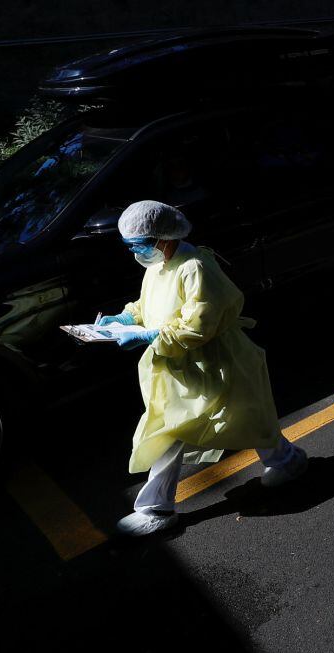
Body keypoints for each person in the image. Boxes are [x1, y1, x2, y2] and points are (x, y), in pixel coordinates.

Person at [97, 200, 307, 536]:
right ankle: (287, 460)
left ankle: (156, 509)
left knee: (179, 429)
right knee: (232, 417)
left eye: (138, 245)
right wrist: (126, 318)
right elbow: (148, 304)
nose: (135, 252)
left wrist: (150, 334)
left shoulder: (195, 267)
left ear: (162, 238)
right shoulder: (159, 265)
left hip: (217, 361)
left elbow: (199, 324)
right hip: (184, 366)